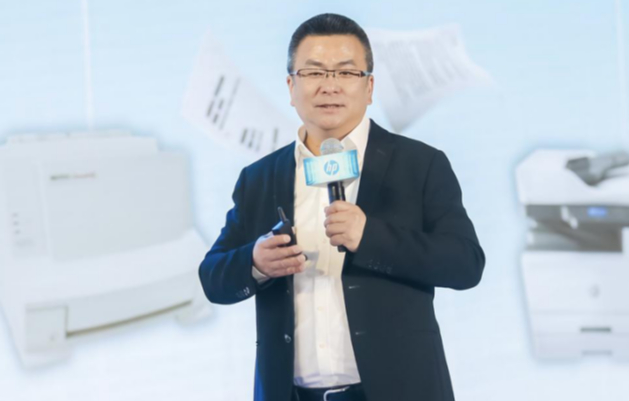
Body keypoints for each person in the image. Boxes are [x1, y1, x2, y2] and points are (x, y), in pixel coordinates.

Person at [199, 13, 485, 401]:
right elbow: (212, 277)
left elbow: (466, 264)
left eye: (346, 73)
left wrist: (371, 237)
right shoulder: (259, 178)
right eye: (314, 72)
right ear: (291, 86)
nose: (329, 85)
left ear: (369, 87)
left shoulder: (420, 165)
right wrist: (254, 262)